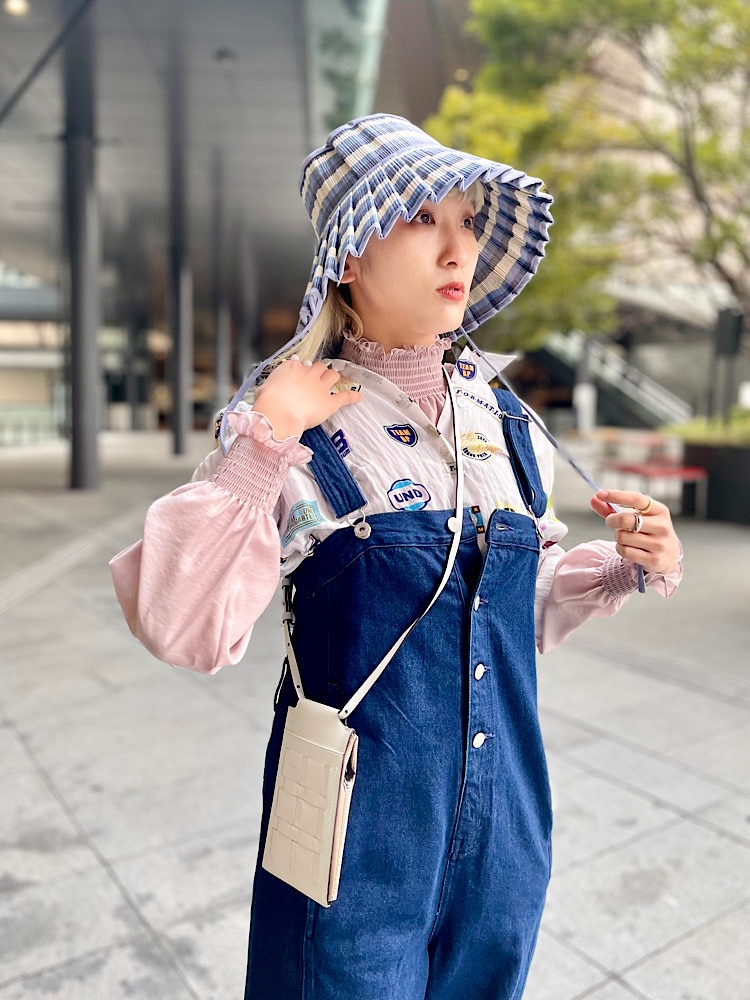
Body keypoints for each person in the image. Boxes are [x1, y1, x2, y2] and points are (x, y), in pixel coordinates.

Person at [110, 114, 682, 1000]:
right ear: (349, 255)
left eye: (469, 222)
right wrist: (263, 448)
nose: (458, 249)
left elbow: (513, 609)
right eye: (422, 219)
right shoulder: (291, 424)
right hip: (351, 838)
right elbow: (182, 623)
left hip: (507, 824)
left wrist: (623, 564)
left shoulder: (503, 418)